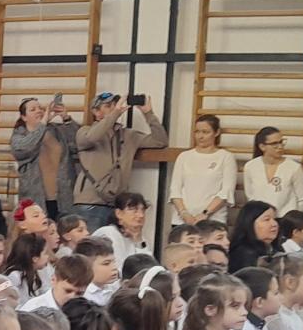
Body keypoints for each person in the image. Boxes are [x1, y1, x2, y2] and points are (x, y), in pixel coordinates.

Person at [73, 95, 167, 231]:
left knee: (115, 243)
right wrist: (115, 113)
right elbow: (93, 137)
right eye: (108, 106)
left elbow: (160, 141)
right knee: (91, 242)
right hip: (90, 202)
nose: (114, 108)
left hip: (117, 203)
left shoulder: (128, 135)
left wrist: (148, 114)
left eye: (115, 105)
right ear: (96, 112)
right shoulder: (84, 131)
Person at [168, 115, 237, 231]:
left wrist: (205, 213)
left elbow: (226, 191)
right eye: (197, 132)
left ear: (216, 133)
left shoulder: (225, 157)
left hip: (213, 220)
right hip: (182, 220)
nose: (200, 136)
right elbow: (175, 189)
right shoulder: (184, 156)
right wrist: (184, 213)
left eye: (205, 132)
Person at [241, 128, 303, 215]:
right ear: (262, 147)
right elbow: (250, 196)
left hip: (286, 218)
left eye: (281, 142)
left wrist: (292, 219)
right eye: (274, 144)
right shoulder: (250, 166)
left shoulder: (294, 167)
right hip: (261, 218)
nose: (280, 146)